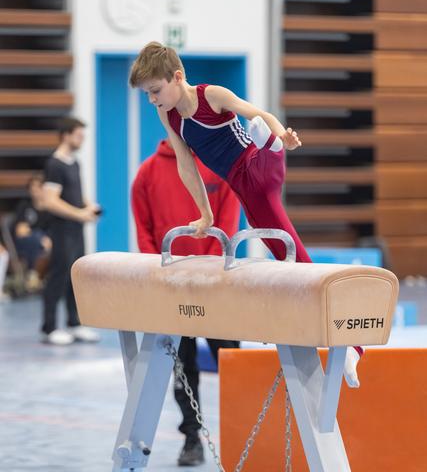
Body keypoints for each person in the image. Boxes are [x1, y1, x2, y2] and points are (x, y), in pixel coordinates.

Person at [128, 42, 363, 388]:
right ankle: (347, 342)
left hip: (254, 167)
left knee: (262, 153)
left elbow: (261, 113)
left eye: (155, 91)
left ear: (177, 77)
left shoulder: (212, 96)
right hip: (242, 187)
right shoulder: (170, 115)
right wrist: (205, 215)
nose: (152, 99)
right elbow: (186, 164)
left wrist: (281, 133)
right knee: (288, 253)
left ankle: (272, 146)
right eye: (147, 94)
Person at [131, 138, 240, 466]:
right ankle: (192, 438)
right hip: (171, 286)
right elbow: (144, 229)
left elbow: (228, 221)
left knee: (232, 364)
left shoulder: (218, 166)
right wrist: (163, 271)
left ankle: (244, 434)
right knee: (183, 366)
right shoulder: (148, 172)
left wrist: (205, 270)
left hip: (215, 283)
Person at [41, 117, 100, 346]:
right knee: (58, 275)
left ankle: (74, 323)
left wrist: (88, 206)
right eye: (78, 135)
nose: (82, 139)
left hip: (76, 229)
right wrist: (79, 214)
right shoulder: (54, 165)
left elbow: (75, 194)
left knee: (76, 276)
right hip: (61, 229)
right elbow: (49, 201)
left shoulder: (74, 163)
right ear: (66, 135)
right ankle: (49, 327)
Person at [13, 173, 52, 292]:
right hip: (27, 244)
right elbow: (21, 231)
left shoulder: (51, 208)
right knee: (37, 239)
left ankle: (36, 275)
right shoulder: (25, 206)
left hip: (48, 244)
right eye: (32, 187)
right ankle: (34, 274)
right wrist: (40, 238)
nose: (34, 190)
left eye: (38, 186)